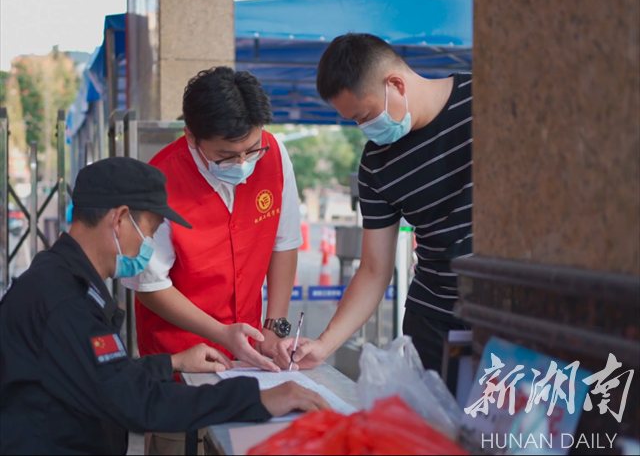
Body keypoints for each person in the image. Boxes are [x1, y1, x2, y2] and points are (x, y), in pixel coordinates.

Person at [0, 158, 329, 456]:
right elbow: (135, 402)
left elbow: (97, 374)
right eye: (151, 231)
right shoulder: (65, 300)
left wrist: (172, 362)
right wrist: (257, 399)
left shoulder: (60, 277)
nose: (148, 246)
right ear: (120, 220)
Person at [275, 33, 472, 392]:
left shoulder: (484, 103)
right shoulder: (377, 165)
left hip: (515, 321)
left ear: (395, 84)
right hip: (433, 323)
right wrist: (323, 345)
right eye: (354, 121)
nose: (365, 129)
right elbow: (374, 269)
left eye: (364, 115)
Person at [121, 67, 303, 453]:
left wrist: (275, 325)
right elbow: (150, 285)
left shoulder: (274, 155)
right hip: (179, 360)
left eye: (251, 149)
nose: (243, 163)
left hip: (248, 358)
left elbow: (284, 243)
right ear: (191, 136)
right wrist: (222, 334)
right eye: (226, 155)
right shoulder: (160, 179)